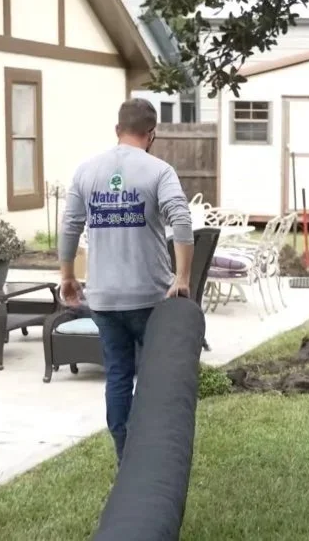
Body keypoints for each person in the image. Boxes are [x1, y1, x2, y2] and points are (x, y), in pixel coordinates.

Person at [57, 98, 194, 463]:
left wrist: (67, 276)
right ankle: (153, 455)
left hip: (104, 298)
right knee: (155, 377)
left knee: (118, 375)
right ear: (152, 134)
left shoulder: (86, 171)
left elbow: (69, 226)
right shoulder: (159, 171)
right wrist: (182, 278)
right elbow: (181, 220)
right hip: (150, 296)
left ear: (117, 130)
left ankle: (125, 454)